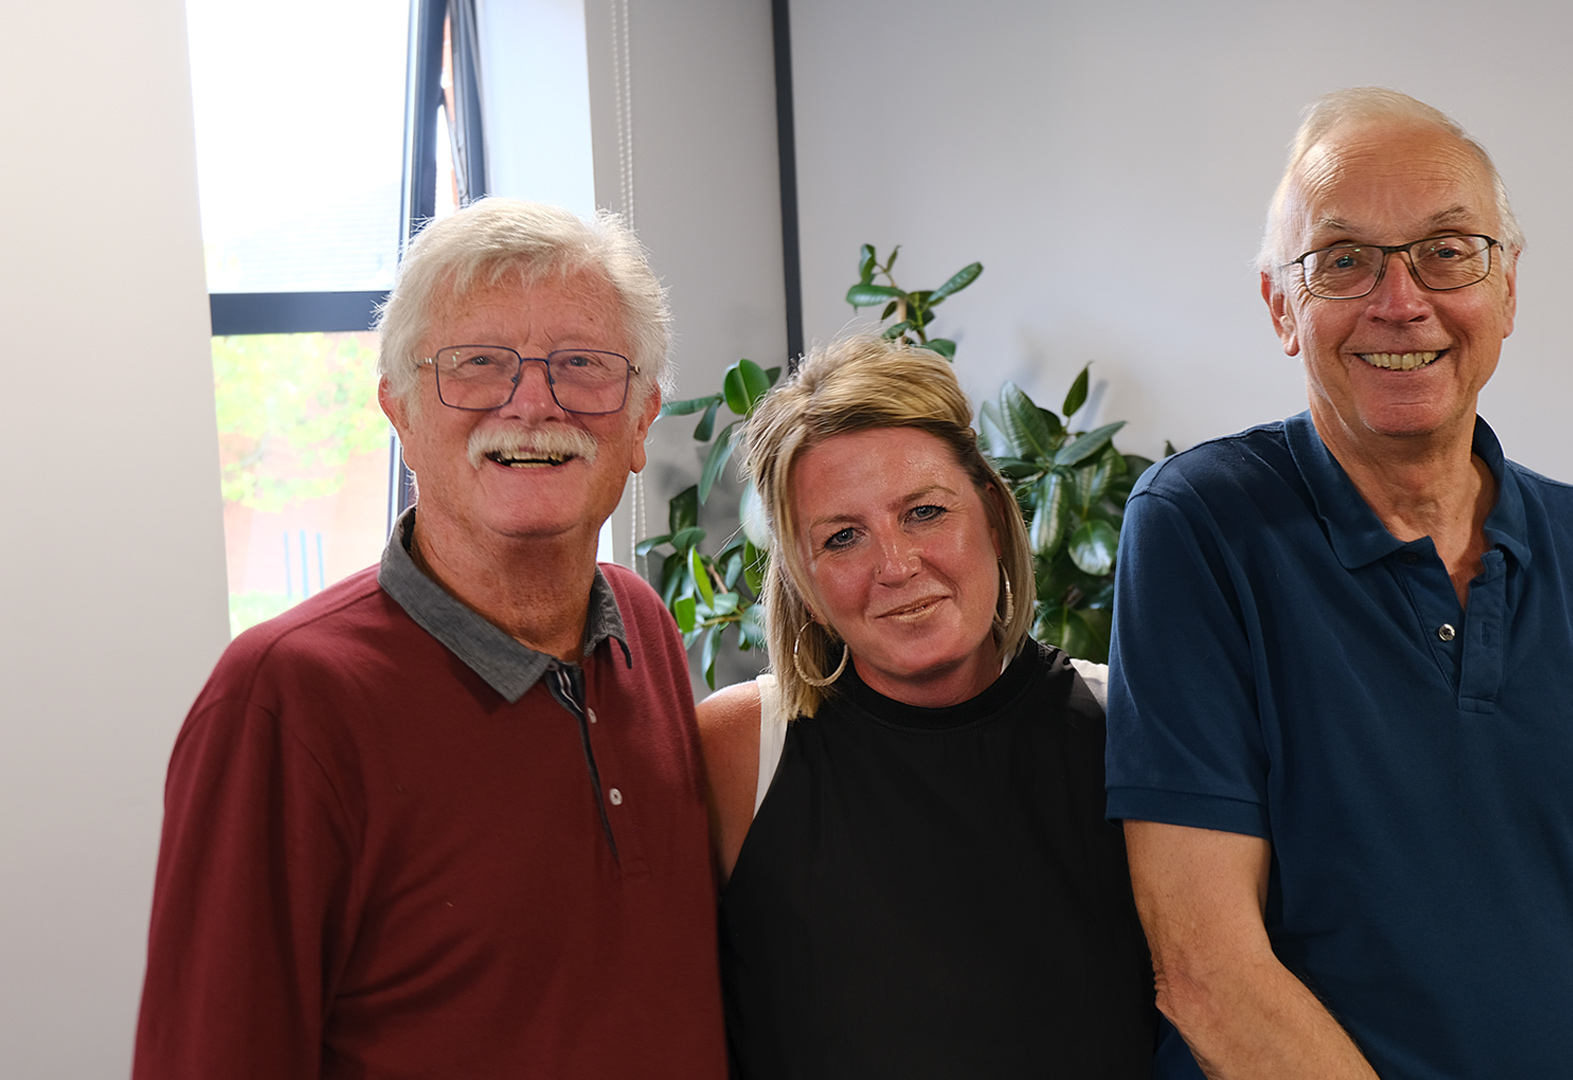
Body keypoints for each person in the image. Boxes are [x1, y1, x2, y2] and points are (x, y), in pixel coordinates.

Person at [1106, 88, 1573, 1079]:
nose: (1402, 302)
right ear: (1280, 307)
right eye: (1344, 261)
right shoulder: (1200, 529)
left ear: (1508, 289)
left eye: (1447, 251)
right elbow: (1205, 969)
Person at [133, 199, 726, 1079]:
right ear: (400, 413)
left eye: (583, 365)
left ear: (641, 421)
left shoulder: (642, 627)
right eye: (478, 365)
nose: (532, 402)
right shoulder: (284, 700)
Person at [697, 335, 1157, 1078]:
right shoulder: (739, 752)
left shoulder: (1125, 728)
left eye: (924, 512)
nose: (896, 566)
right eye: (842, 536)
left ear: (994, 520)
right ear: (806, 585)